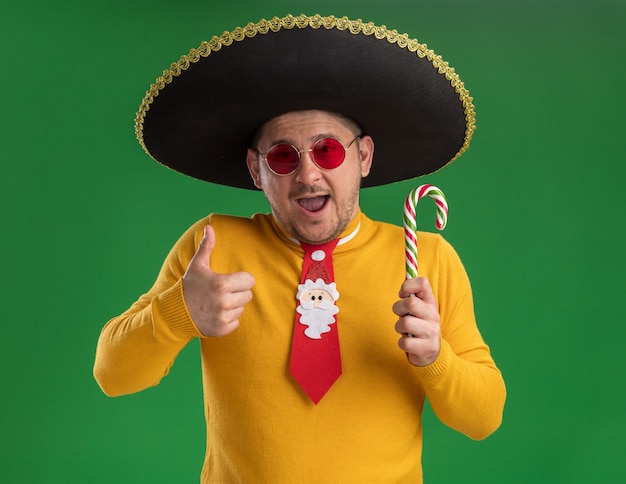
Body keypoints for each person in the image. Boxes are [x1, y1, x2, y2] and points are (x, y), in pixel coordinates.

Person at [94, 14, 506, 483]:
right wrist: (177, 312)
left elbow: (484, 418)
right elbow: (113, 375)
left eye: (327, 150)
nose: (308, 175)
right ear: (256, 172)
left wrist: (437, 360)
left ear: (363, 157)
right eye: (284, 157)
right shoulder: (212, 248)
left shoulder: (426, 260)